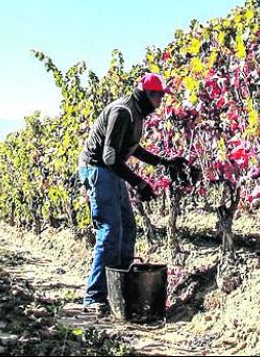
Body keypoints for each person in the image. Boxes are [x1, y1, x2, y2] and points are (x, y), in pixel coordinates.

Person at [77, 72, 191, 313]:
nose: (161, 102)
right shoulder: (123, 112)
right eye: (160, 97)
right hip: (98, 169)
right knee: (110, 231)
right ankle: (95, 296)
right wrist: (139, 184)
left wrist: (164, 163)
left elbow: (132, 148)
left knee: (128, 227)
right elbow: (109, 157)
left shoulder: (136, 112)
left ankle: (121, 287)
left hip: (110, 170)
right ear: (150, 94)